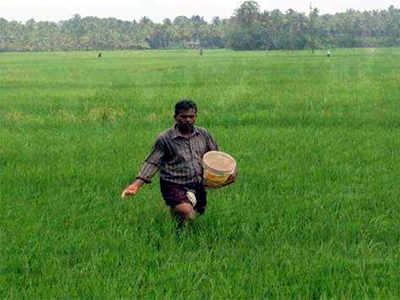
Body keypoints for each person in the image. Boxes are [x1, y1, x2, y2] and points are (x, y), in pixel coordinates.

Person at [121, 99, 237, 227]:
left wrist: (230, 173)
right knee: (188, 214)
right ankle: (180, 231)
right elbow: (152, 162)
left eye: (191, 116)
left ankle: (177, 227)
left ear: (195, 117)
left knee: (198, 213)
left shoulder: (203, 134)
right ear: (175, 117)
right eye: (183, 116)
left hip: (197, 183)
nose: (187, 120)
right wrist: (136, 184)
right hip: (173, 184)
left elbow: (217, 156)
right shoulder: (165, 138)